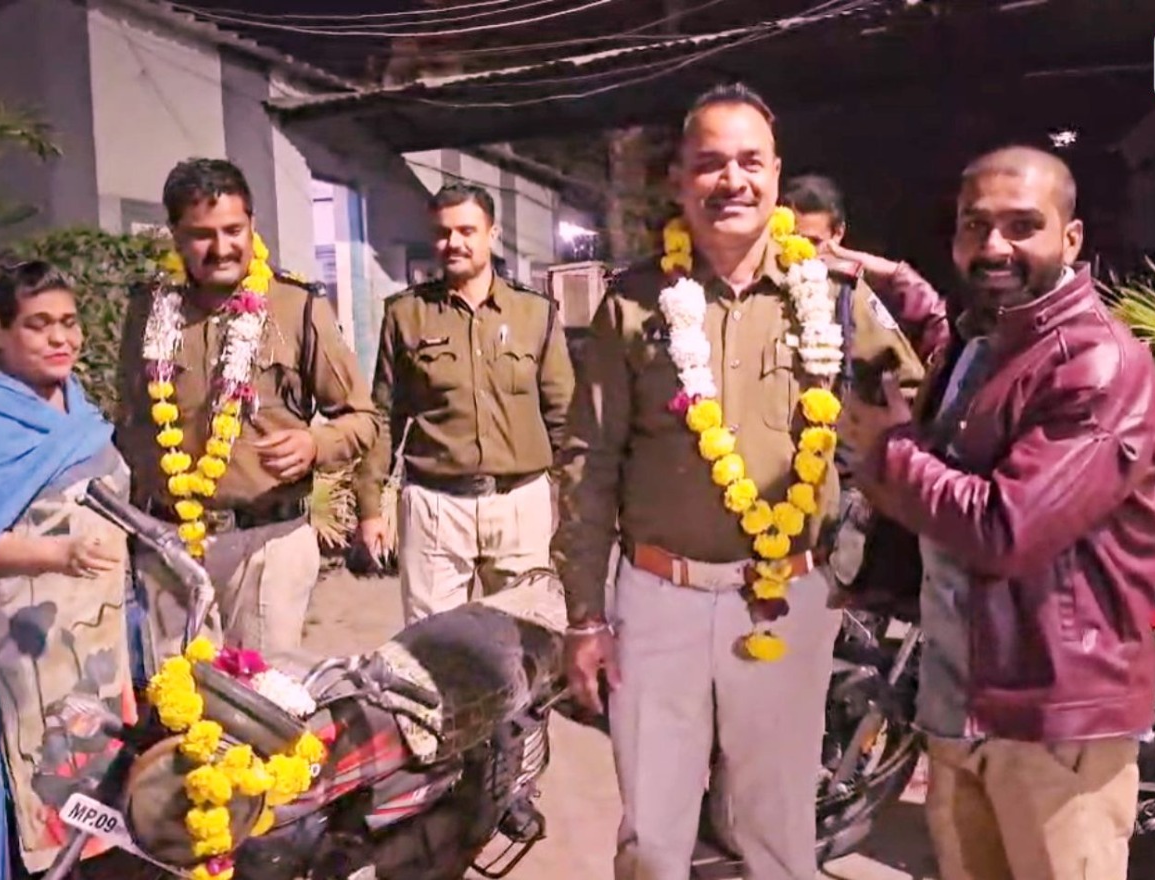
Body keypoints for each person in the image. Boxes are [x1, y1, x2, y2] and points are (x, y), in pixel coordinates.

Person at [553, 82, 923, 880]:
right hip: (658, 600)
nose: (733, 181)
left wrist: (859, 560)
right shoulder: (632, 304)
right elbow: (589, 465)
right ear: (681, 180)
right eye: (711, 163)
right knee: (654, 833)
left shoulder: (832, 300)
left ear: (777, 175)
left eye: (750, 162)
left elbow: (912, 415)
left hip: (787, 598)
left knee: (777, 830)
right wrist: (586, 616)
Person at [839, 145, 1155, 880]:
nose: (994, 246)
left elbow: (1007, 528)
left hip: (1054, 720)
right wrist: (893, 283)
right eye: (975, 226)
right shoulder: (987, 340)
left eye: (1023, 226)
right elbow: (947, 348)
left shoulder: (1096, 364)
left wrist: (887, 449)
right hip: (962, 706)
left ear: (1072, 238)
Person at [0, 262, 137, 880]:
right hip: (28, 651)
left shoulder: (81, 412)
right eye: (38, 325)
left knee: (103, 809)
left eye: (68, 323)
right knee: (42, 806)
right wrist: (58, 555)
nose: (58, 338)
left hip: (98, 644)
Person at [117, 158, 377, 661]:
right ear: (174, 235)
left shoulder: (297, 307)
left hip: (266, 547)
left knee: (263, 705)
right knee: (180, 704)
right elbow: (129, 422)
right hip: (169, 544)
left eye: (233, 229)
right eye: (201, 234)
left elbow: (363, 418)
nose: (221, 248)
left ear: (252, 225)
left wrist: (314, 444)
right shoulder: (148, 310)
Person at [354, 182, 573, 622]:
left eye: (467, 230)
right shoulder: (406, 314)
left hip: (519, 505)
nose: (454, 242)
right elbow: (383, 416)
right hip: (436, 508)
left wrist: (576, 505)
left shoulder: (535, 313)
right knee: (431, 648)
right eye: (443, 232)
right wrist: (370, 507)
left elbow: (564, 416)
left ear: (492, 234)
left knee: (525, 640)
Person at [780, 173, 951, 365]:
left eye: (813, 242)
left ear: (838, 234)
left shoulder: (854, 292)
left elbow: (908, 373)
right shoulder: (761, 286)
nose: (803, 253)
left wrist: (898, 275)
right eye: (792, 239)